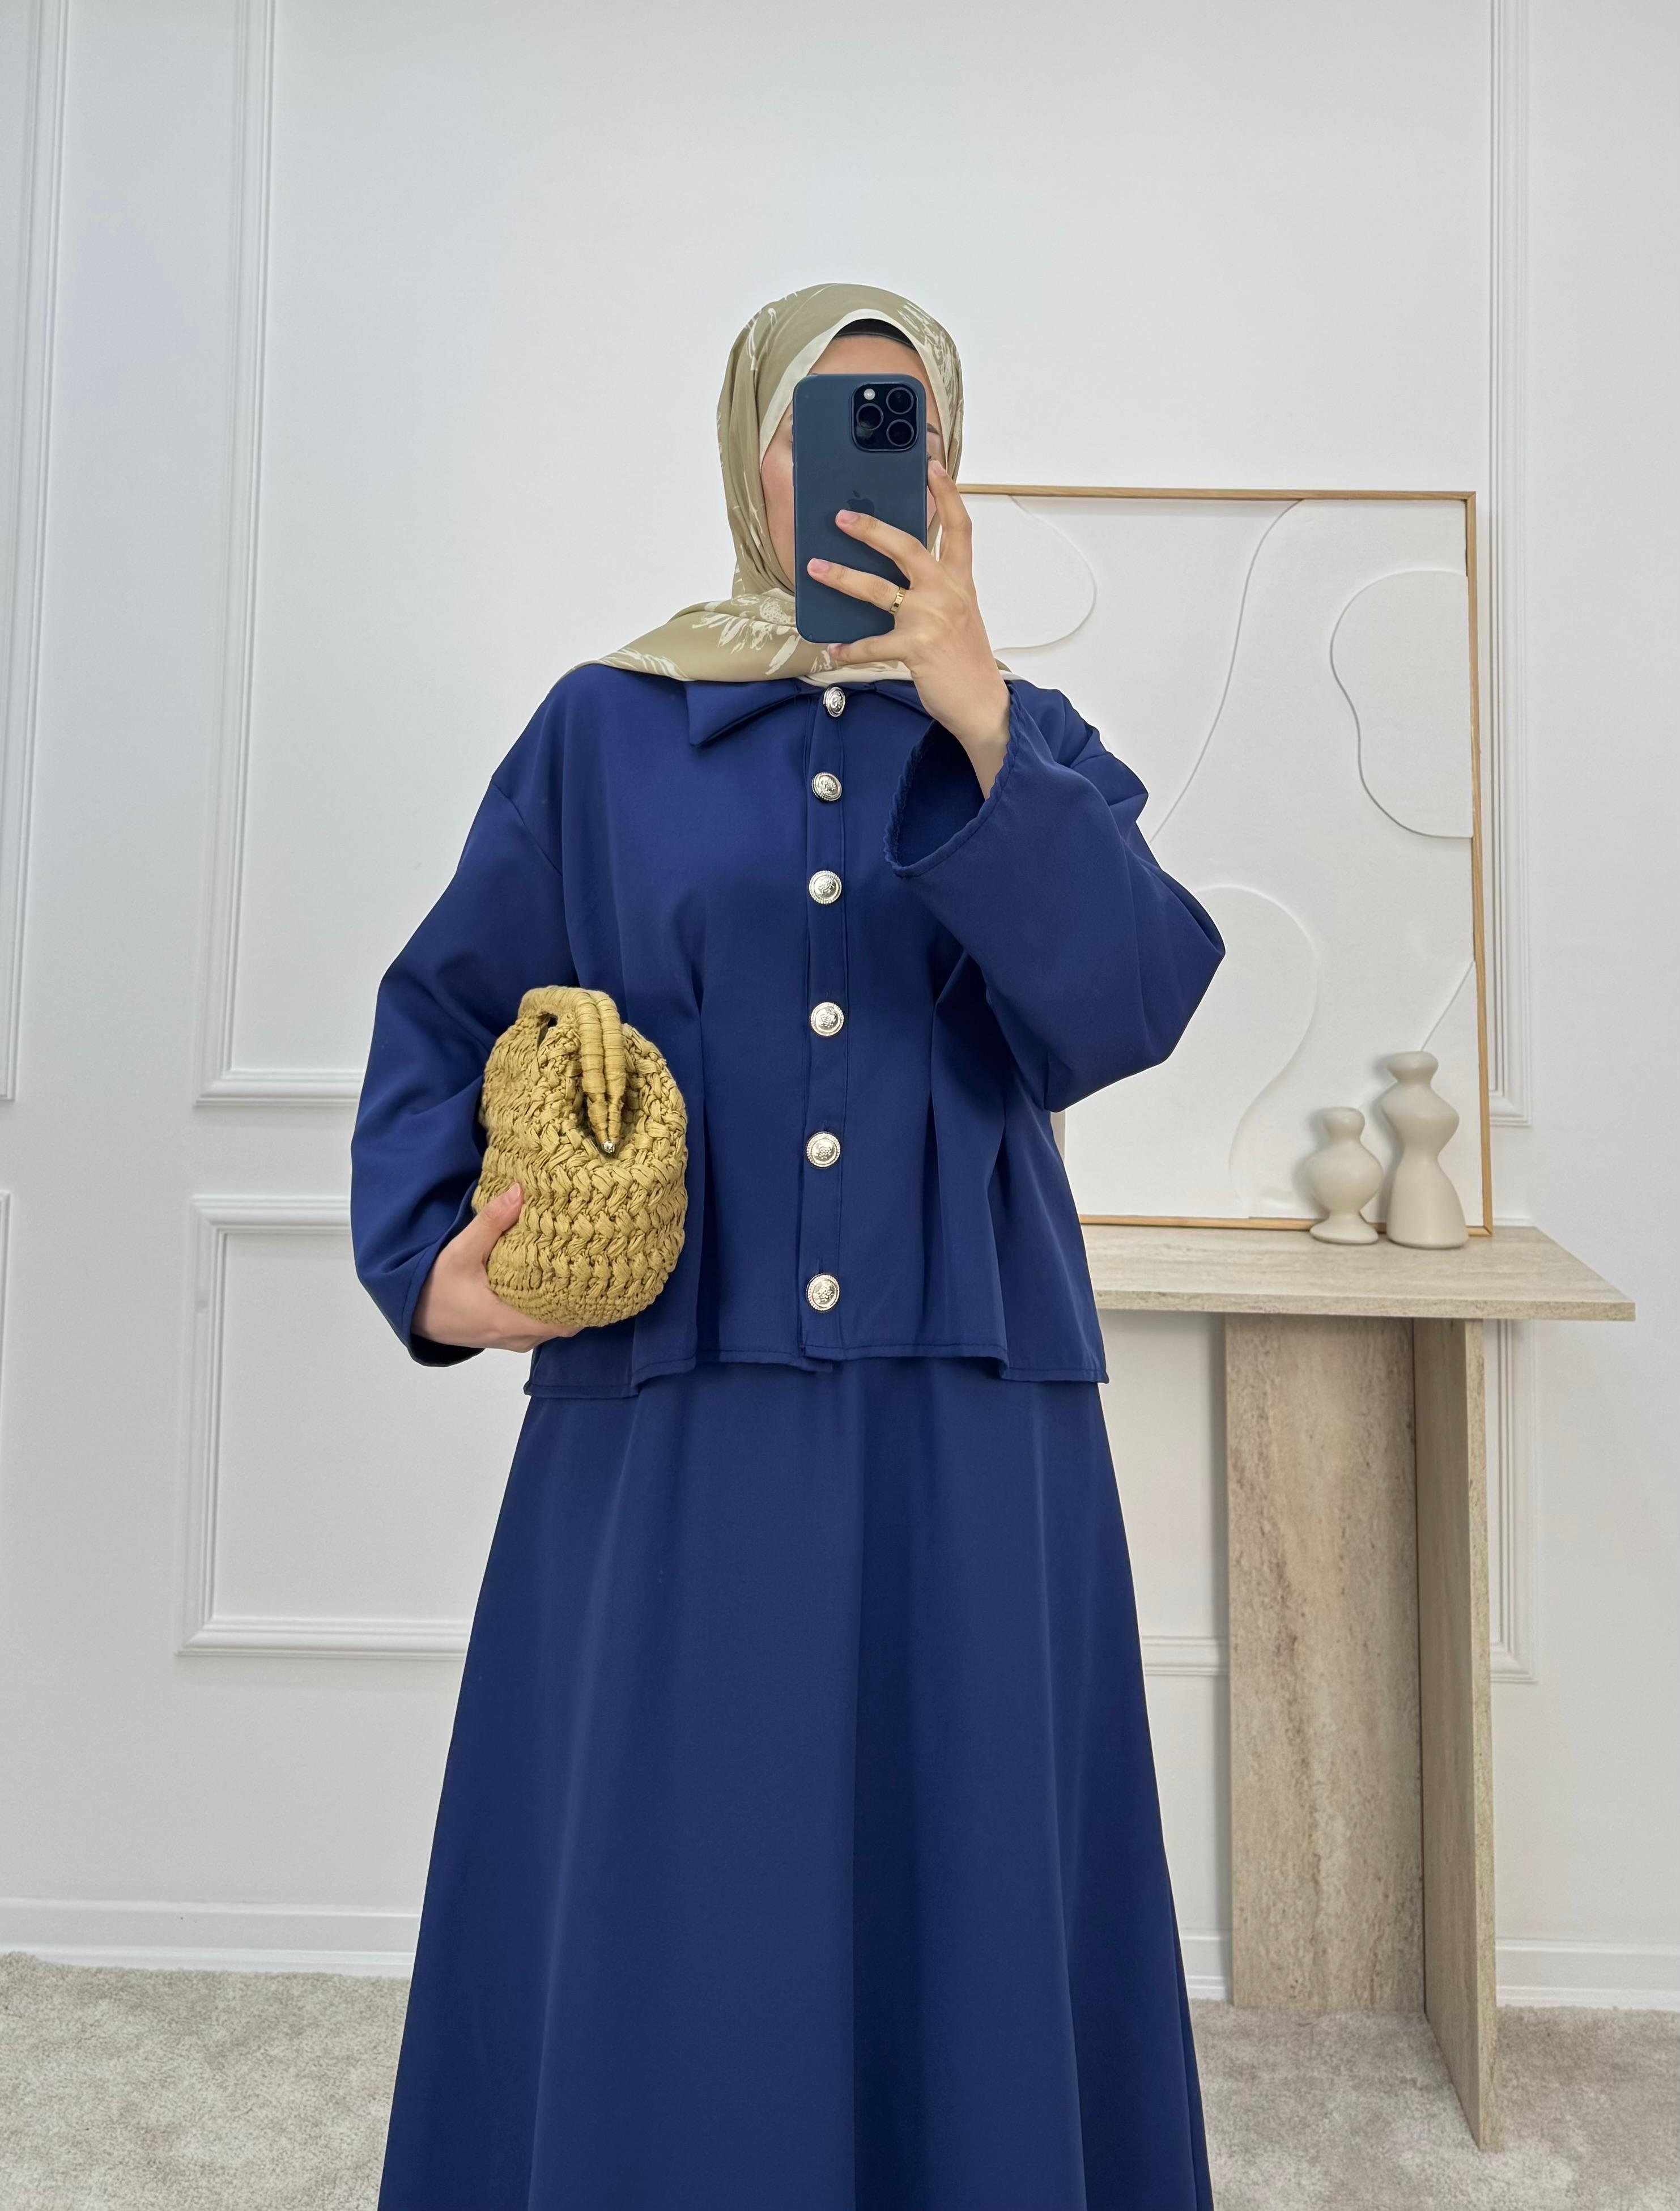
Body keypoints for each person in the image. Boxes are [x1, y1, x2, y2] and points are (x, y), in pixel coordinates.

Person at [350, 279, 1224, 2211]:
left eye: (905, 424)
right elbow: (446, 1005)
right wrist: (427, 1262)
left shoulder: (1025, 740)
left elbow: (1129, 1004)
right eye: (821, 420)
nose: (859, 462)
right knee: (678, 1876)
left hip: (969, 1418)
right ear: (750, 455)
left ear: (953, 470)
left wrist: (979, 715)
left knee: (967, 1855)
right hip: (670, 1408)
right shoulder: (605, 731)